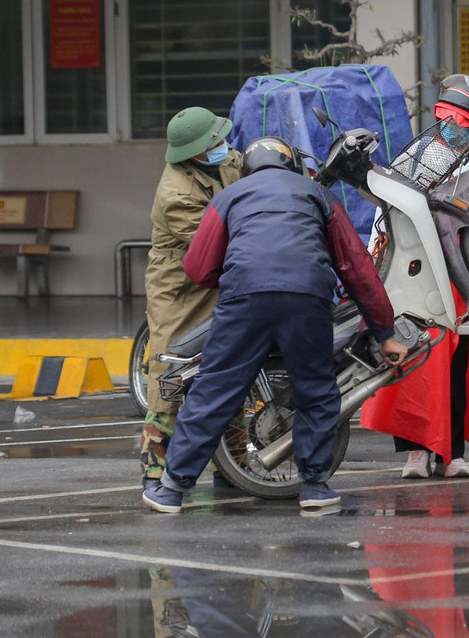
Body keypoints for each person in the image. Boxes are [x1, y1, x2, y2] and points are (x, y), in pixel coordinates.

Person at [142, 136, 406, 513]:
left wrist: (240, 275)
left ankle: (170, 489)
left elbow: (198, 268)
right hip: (306, 299)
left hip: (243, 301)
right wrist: (385, 333)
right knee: (315, 388)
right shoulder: (317, 194)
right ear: (292, 164)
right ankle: (314, 487)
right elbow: (356, 268)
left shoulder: (229, 197)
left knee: (214, 389)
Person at [360, 74, 469, 480]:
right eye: (446, 119)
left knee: (460, 365)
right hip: (414, 274)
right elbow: (387, 211)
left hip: (465, 277)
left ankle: (454, 454)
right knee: (412, 365)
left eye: (461, 122)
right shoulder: (419, 156)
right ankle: (414, 452)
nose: (452, 128)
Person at [140, 107, 242, 491]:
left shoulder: (227, 160)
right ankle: (155, 469)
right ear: (196, 153)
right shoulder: (176, 193)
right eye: (214, 142)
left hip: (224, 275)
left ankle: (235, 466)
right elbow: (212, 243)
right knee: (168, 374)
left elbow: (250, 172)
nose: (224, 146)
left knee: (231, 367)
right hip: (180, 285)